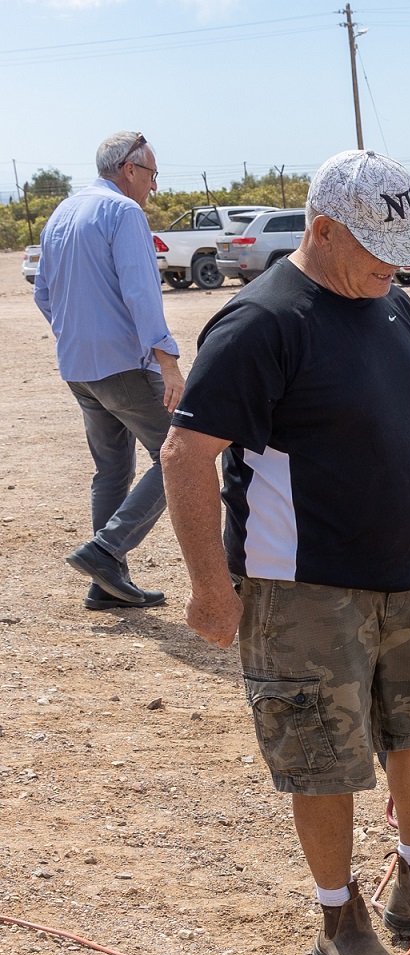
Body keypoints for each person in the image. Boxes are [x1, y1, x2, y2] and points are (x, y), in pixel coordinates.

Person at [160, 150, 410, 955]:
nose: (392, 265)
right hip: (303, 590)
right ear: (321, 232)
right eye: (375, 247)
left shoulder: (391, 305)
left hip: (409, 576)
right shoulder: (260, 323)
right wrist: (213, 586)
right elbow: (185, 454)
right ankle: (340, 918)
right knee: (321, 757)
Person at [32, 131, 182, 610]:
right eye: (152, 175)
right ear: (129, 170)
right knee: (179, 455)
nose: (154, 187)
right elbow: (141, 292)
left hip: (79, 368)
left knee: (112, 470)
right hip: (123, 366)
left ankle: (106, 583)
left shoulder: (61, 214)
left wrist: (78, 333)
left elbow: (42, 294)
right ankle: (106, 550)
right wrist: (169, 361)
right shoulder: (123, 212)